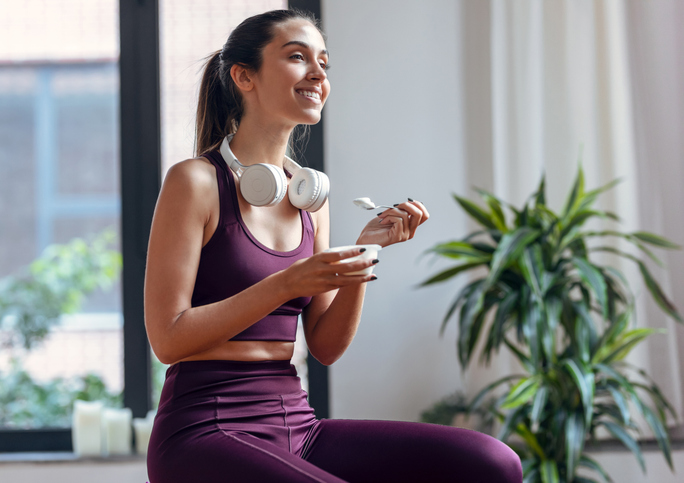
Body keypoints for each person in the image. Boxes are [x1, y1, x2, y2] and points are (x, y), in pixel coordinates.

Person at [144, 8, 522, 483]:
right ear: (244, 76)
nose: (318, 72)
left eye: (324, 61)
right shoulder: (195, 182)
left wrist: (366, 253)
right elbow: (168, 338)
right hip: (205, 427)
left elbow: (324, 346)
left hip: (296, 423)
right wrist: (287, 283)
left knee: (493, 463)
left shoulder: (309, 197)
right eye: (298, 57)